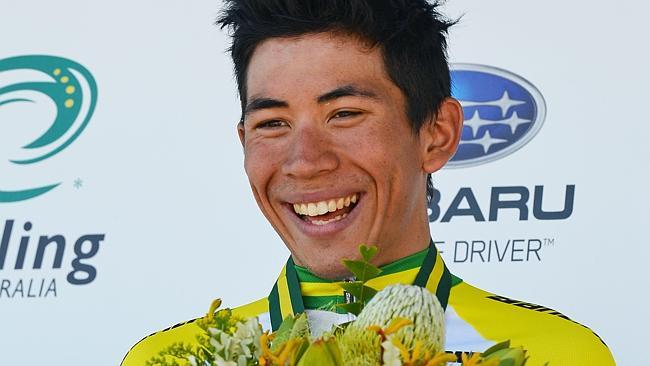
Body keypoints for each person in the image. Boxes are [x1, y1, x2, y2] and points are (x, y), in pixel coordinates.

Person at [122, 1, 615, 364]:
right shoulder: (174, 358)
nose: (305, 162)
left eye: (345, 114)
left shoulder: (557, 353)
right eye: (272, 123)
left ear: (437, 133)